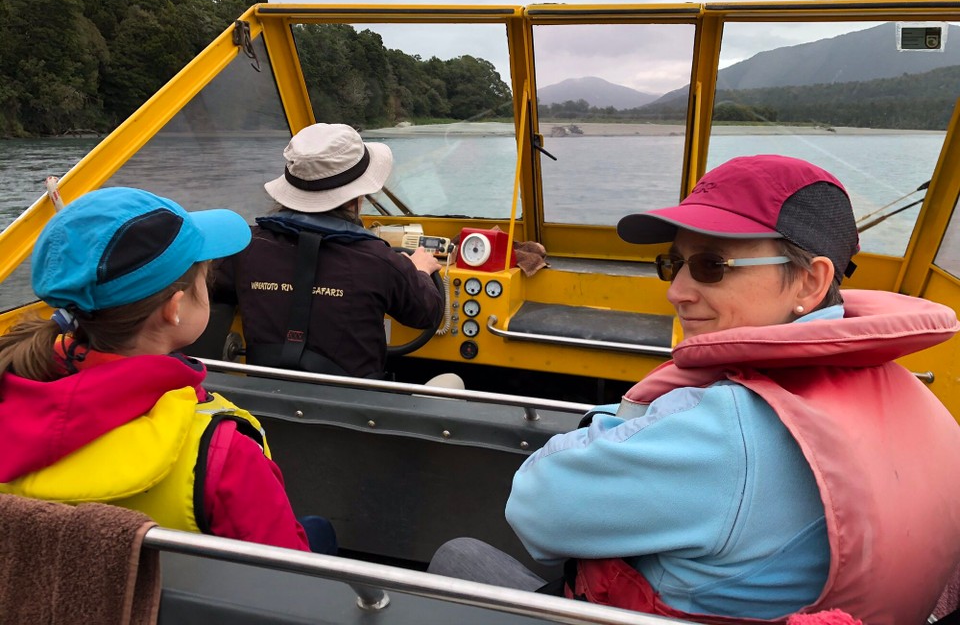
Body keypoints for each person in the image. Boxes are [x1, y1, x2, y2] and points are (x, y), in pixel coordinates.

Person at [429, 154, 960, 624]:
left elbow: (534, 509)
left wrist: (630, 416)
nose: (676, 292)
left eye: (711, 266)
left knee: (458, 557)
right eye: (673, 263)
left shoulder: (729, 431)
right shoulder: (920, 403)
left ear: (810, 281)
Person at [0, 187, 335, 554]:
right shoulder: (226, 454)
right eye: (204, 281)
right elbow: (287, 575)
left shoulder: (13, 386)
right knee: (320, 531)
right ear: (174, 309)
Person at [212, 122, 449, 381]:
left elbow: (214, 285)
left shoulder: (244, 248)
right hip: (353, 404)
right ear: (355, 197)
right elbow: (427, 313)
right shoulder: (380, 261)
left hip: (265, 399)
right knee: (452, 381)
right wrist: (419, 270)